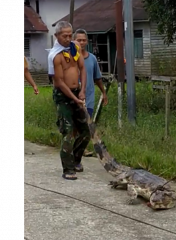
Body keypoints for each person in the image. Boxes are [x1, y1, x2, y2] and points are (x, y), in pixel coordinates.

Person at [48, 21, 90, 180]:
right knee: (68, 132)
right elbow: (58, 81)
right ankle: (68, 169)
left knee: (85, 131)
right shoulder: (55, 55)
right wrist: (74, 98)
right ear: (56, 36)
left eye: (69, 35)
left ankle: (76, 160)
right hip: (63, 96)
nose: (67, 38)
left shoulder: (75, 48)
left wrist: (82, 90)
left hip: (76, 92)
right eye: (64, 36)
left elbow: (82, 68)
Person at [73, 28, 108, 157]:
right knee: (76, 125)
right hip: (74, 96)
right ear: (74, 41)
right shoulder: (70, 58)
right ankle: (75, 148)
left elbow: (97, 78)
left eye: (83, 40)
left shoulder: (92, 59)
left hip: (89, 97)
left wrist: (103, 93)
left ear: (87, 42)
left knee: (87, 125)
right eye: (79, 40)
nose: (81, 43)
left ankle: (82, 148)